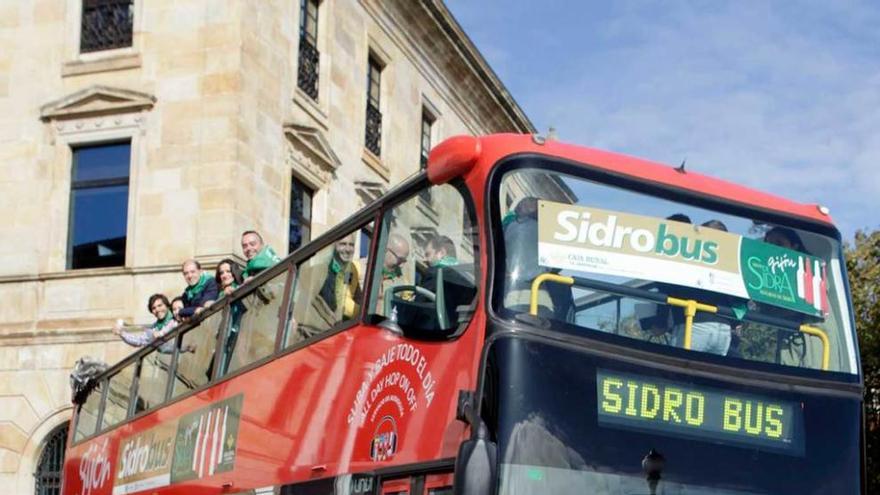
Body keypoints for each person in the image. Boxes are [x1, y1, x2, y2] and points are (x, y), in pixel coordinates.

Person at [501, 198, 573, 321]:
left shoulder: (510, 227)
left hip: (511, 293)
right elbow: (559, 262)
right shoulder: (542, 231)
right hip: (537, 296)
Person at [112, 294, 178, 353]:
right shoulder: (154, 328)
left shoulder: (177, 317)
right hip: (169, 363)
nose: (157, 310)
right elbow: (139, 340)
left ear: (167, 306)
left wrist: (160, 334)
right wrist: (121, 333)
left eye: (160, 305)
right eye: (154, 308)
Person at [318, 236, 361, 319]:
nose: (347, 249)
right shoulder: (324, 269)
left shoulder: (349, 271)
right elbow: (336, 303)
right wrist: (361, 312)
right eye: (343, 244)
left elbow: (352, 294)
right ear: (335, 246)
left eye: (351, 245)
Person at [376, 233, 411, 312]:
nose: (402, 265)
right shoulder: (359, 267)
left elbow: (405, 312)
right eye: (400, 259)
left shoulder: (405, 284)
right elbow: (345, 299)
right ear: (386, 250)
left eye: (404, 261)